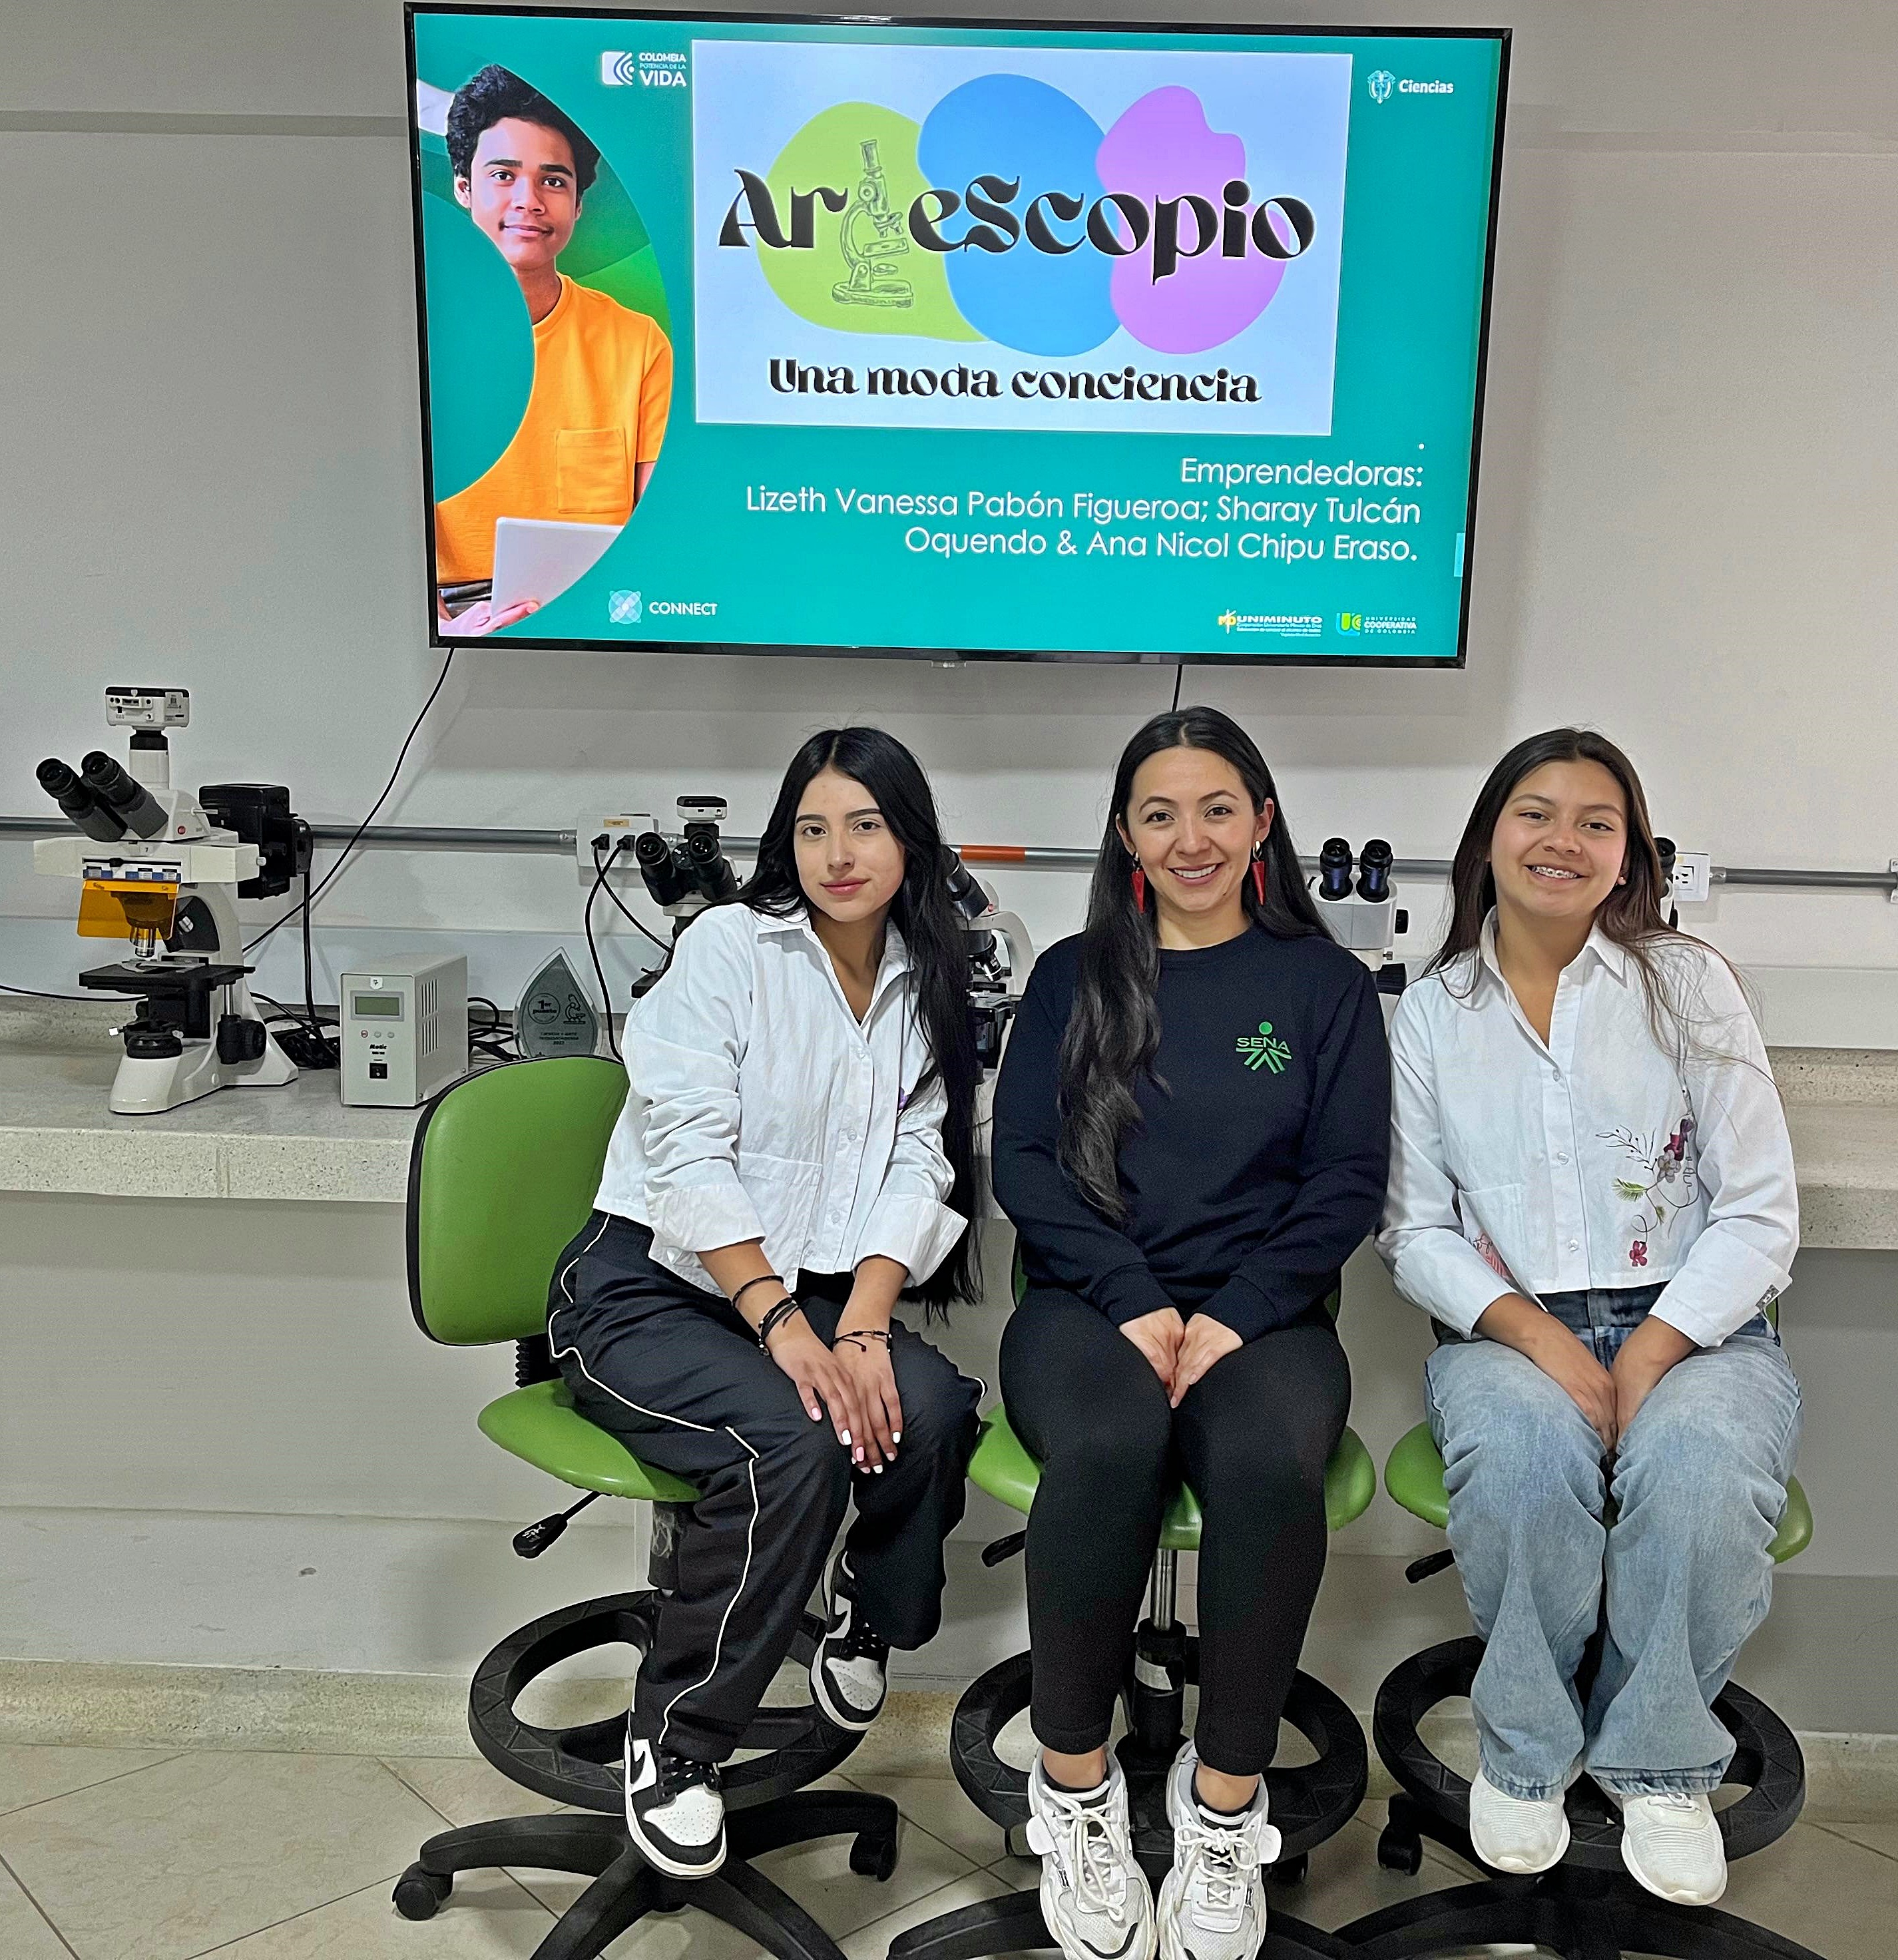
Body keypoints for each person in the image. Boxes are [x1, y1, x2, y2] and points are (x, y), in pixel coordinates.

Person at [547, 728, 983, 1879]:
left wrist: (867, 1325)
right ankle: (676, 1741)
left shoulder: (923, 972)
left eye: (866, 824)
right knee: (790, 1440)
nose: (839, 853)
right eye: (812, 826)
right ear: (785, 839)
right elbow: (687, 1150)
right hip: (648, 1289)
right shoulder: (730, 948)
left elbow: (919, 1162)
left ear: (910, 838)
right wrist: (787, 1326)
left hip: (821, 1289)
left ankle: (869, 1610)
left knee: (931, 1407)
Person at [991, 707, 1390, 1960]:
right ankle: (1076, 1790)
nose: (1190, 836)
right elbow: (1025, 1162)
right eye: (1159, 813)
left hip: (1261, 1313)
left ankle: (1224, 1810)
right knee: (1107, 1446)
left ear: (1262, 820)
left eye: (1217, 807)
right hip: (1082, 1301)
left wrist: (1228, 1313)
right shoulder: (1072, 973)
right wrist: (1135, 1298)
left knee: (1272, 1463)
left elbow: (1345, 1181)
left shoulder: (1323, 985)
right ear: (1125, 833)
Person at [1378, 728, 1800, 1909]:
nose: (1561, 837)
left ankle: (1658, 1757)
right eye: (1534, 811)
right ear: (1487, 838)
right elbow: (1413, 1227)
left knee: (1702, 1463)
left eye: (1595, 820)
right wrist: (1544, 1339)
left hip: (1700, 1320)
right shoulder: (1433, 1013)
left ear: (1627, 855)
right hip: (1511, 1327)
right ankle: (1525, 1748)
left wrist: (1656, 1345)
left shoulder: (1687, 981)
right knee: (1518, 1453)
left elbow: (1762, 1208)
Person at [434, 65, 673, 633]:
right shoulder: (418, 343)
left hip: (602, 616)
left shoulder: (637, 344)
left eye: (554, 181)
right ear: (463, 189)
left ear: (578, 204)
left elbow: (659, 530)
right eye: (503, 175)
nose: (529, 201)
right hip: (449, 617)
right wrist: (437, 623)